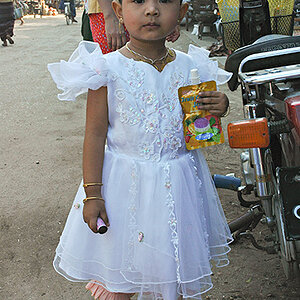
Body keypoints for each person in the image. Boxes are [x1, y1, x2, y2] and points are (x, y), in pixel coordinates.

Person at [48, 0, 233, 299]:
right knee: (121, 277)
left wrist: (218, 108)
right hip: (124, 193)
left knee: (173, 274)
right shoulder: (105, 69)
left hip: (179, 191)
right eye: (138, 1)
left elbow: (201, 130)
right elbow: (94, 135)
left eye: (165, 1)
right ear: (119, 10)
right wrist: (92, 194)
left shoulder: (192, 67)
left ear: (182, 12)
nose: (151, 10)